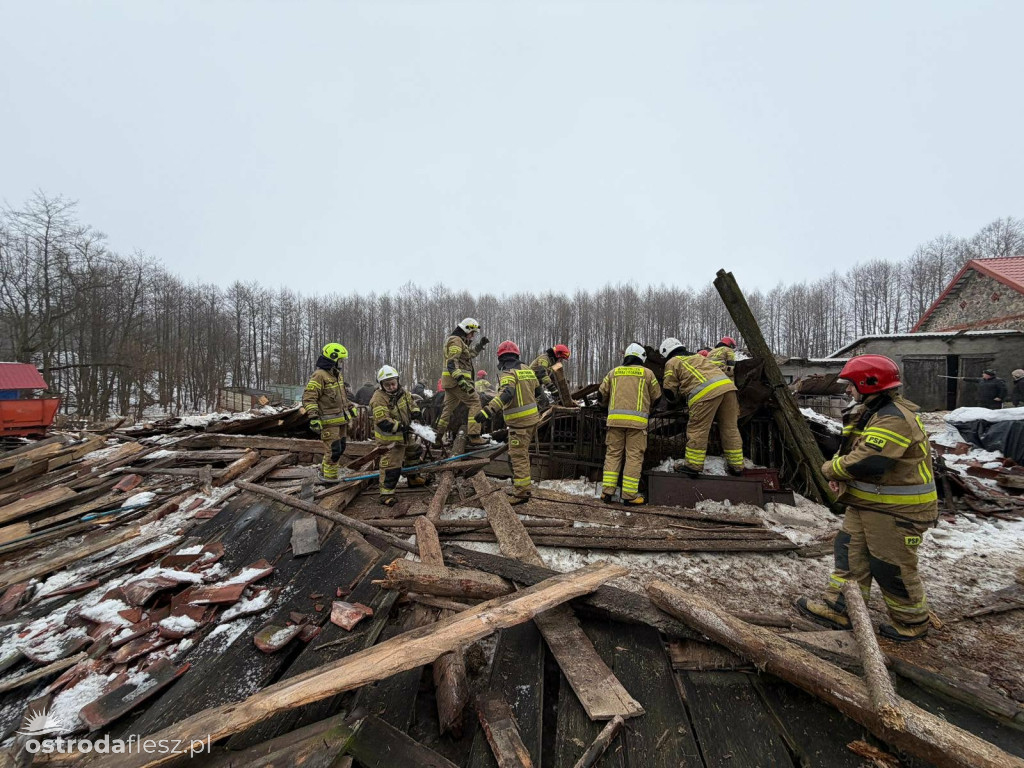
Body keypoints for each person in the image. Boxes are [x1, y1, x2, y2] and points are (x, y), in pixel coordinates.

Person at [796, 354, 938, 642]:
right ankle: (841, 607)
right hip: (868, 504)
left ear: (869, 384)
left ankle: (911, 621)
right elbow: (851, 449)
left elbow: (868, 462)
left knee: (890, 565)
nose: (848, 390)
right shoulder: (872, 413)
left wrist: (829, 469)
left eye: (851, 384)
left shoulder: (894, 419)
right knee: (849, 553)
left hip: (896, 511)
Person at [659, 337, 744, 476]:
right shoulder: (699, 357)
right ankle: (737, 466)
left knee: (698, 429)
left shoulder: (672, 362)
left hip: (706, 393)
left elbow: (669, 389)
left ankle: (693, 466)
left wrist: (672, 402)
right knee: (730, 428)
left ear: (666, 352)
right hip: (728, 388)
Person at [475, 341, 541, 504]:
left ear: (501, 358)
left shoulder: (508, 373)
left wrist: (487, 411)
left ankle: (521, 492)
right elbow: (539, 392)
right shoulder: (527, 370)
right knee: (522, 454)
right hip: (532, 421)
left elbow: (507, 394)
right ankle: (523, 488)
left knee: (517, 456)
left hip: (520, 423)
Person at [598, 343, 662, 505]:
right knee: (633, 457)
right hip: (637, 425)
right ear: (642, 357)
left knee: (613, 455)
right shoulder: (647, 373)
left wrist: (607, 406)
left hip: (614, 423)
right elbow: (657, 396)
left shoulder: (614, 373)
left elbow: (601, 395)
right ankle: (629, 495)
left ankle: (607, 493)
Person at [369, 365, 428, 506]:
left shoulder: (403, 393)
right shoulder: (378, 398)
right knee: (391, 467)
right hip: (390, 440)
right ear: (381, 385)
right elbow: (383, 421)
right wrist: (401, 427)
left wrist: (416, 412)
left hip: (405, 436)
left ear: (398, 381)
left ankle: (413, 478)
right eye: (387, 384)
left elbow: (412, 403)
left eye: (393, 383)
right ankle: (386, 494)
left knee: (415, 451)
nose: (391, 386)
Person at [301, 343, 356, 482]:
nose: (341, 363)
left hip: (341, 420)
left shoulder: (337, 375)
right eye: (340, 360)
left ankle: (327, 472)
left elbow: (341, 396)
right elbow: (309, 397)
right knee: (333, 451)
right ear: (333, 359)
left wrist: (349, 407)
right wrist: (313, 417)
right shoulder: (319, 375)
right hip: (329, 422)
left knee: (341, 447)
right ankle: (330, 480)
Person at [437, 317, 489, 445]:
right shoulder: (456, 341)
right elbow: (452, 361)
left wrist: (480, 346)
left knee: (447, 409)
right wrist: (460, 379)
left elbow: (469, 354)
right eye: (472, 333)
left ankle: (437, 438)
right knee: (475, 402)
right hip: (458, 382)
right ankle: (474, 435)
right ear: (466, 330)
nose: (472, 336)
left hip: (451, 383)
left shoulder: (459, 341)